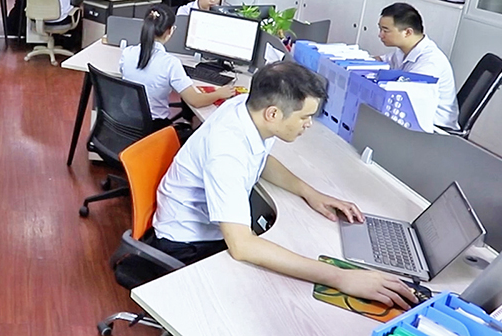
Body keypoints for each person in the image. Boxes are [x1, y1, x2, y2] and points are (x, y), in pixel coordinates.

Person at [151, 61, 418, 309]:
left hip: (213, 228)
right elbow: (242, 246)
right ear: (273, 114)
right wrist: (341, 277)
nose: (309, 124)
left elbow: (261, 160)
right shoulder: (227, 152)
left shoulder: (249, 108)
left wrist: (310, 193)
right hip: (188, 244)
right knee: (283, 301)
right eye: (304, 117)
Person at [121, 5, 236, 121]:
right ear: (170, 30)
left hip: (124, 119)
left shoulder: (127, 53)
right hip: (153, 125)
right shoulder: (170, 63)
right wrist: (219, 93)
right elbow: (195, 101)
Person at [376, 3, 459, 129]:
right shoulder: (403, 50)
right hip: (411, 115)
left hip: (433, 127)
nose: (380, 35)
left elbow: (410, 97)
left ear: (407, 32)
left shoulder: (430, 62)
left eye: (385, 30)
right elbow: (381, 61)